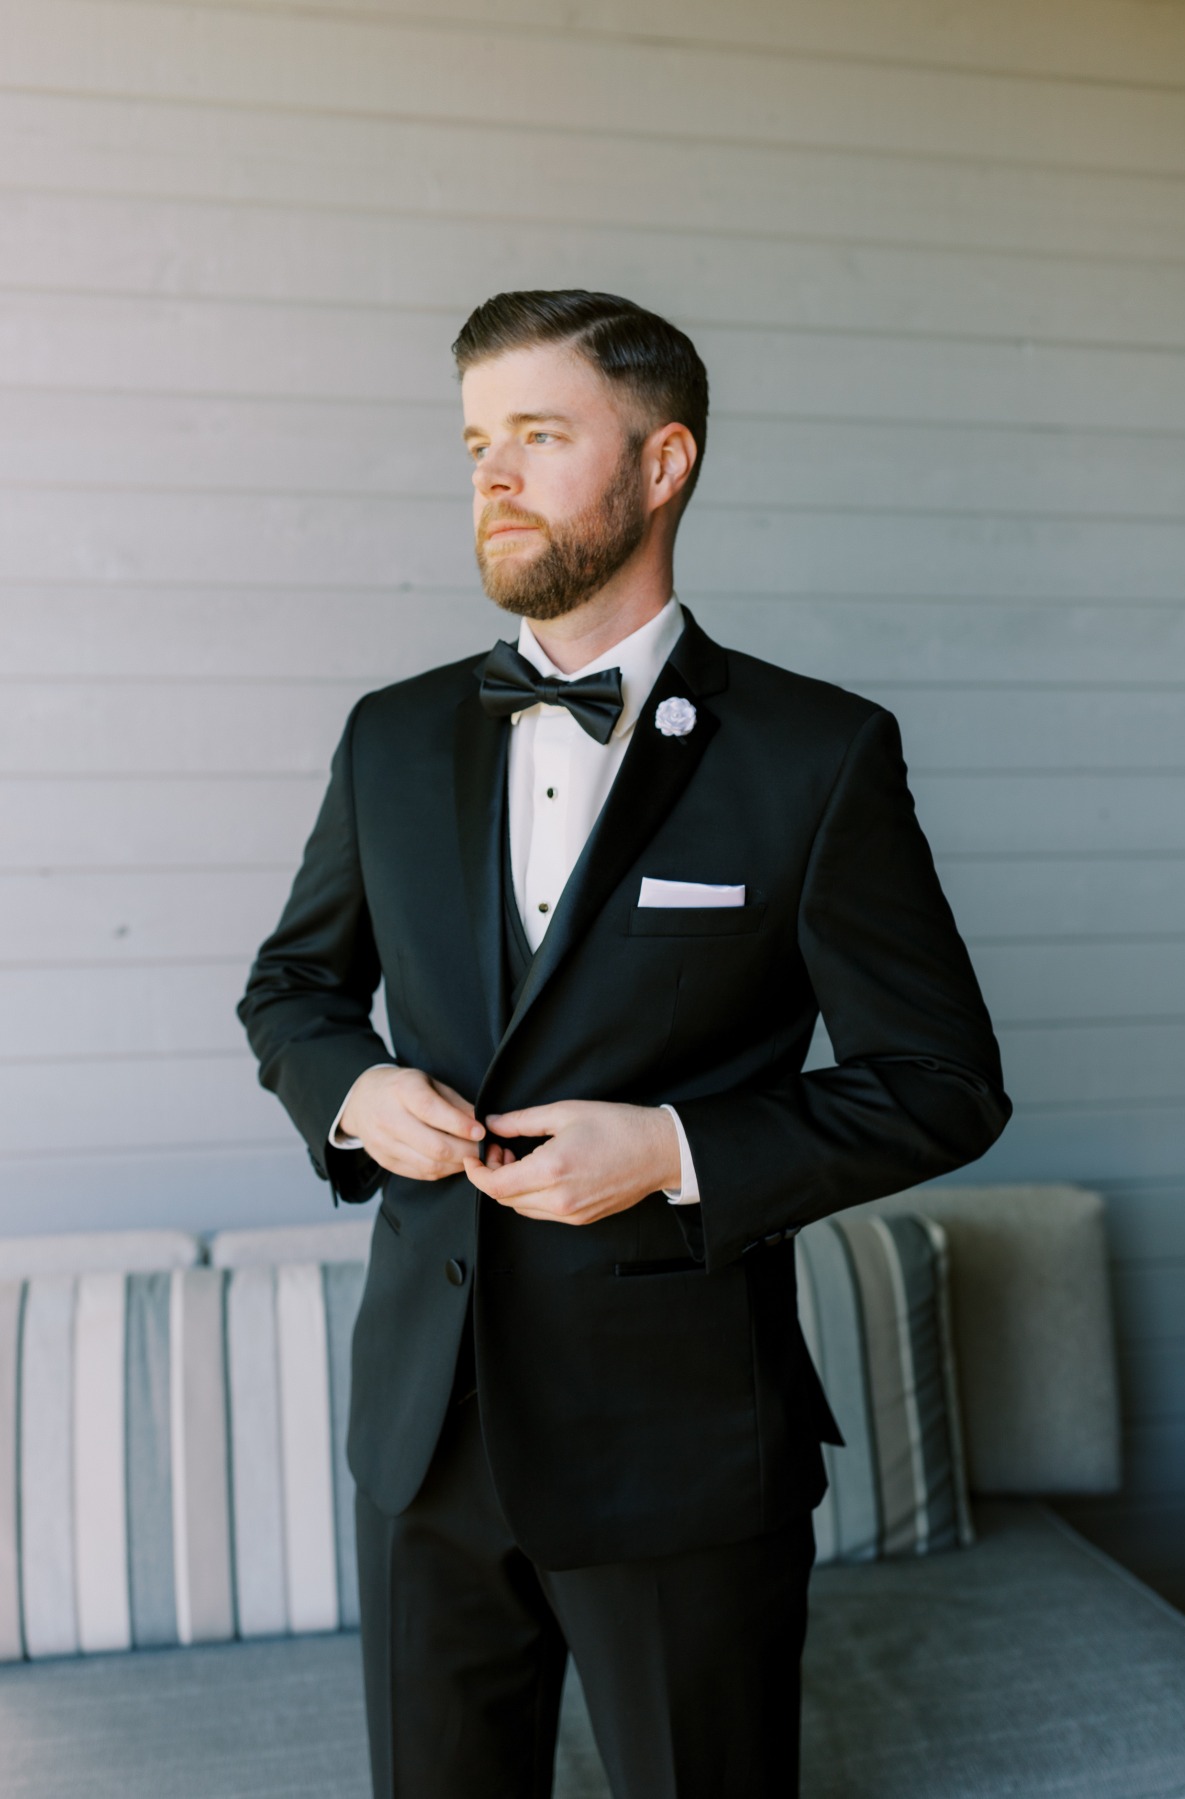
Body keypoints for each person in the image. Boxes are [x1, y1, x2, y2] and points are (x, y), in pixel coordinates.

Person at [238, 289, 1010, 1799]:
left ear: (664, 465)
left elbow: (945, 1085)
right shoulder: (389, 736)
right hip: (422, 1448)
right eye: (476, 441)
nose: (494, 476)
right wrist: (359, 1093)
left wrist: (668, 1152)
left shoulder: (817, 753)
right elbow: (291, 991)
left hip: (680, 1458)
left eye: (538, 434)